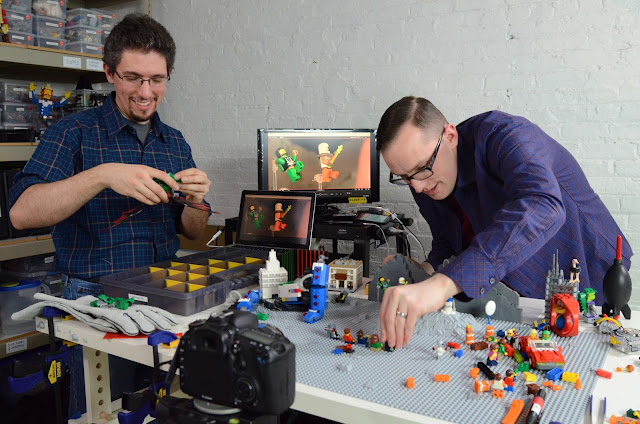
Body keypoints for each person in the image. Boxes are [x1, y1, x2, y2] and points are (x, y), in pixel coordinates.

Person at [8, 13, 211, 417]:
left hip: (164, 295)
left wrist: (196, 201)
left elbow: (192, 232)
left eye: (157, 79)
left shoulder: (174, 141)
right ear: (109, 73)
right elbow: (21, 213)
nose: (145, 92)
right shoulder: (73, 132)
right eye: (132, 77)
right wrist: (101, 176)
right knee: (101, 412)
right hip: (95, 299)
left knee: (163, 410)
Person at [376, 96, 632, 350]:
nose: (417, 187)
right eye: (404, 177)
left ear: (450, 136)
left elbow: (544, 206)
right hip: (514, 299)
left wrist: (442, 284)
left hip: (584, 276)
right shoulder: (422, 180)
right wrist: (428, 268)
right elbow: (447, 238)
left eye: (422, 168)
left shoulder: (506, 136)